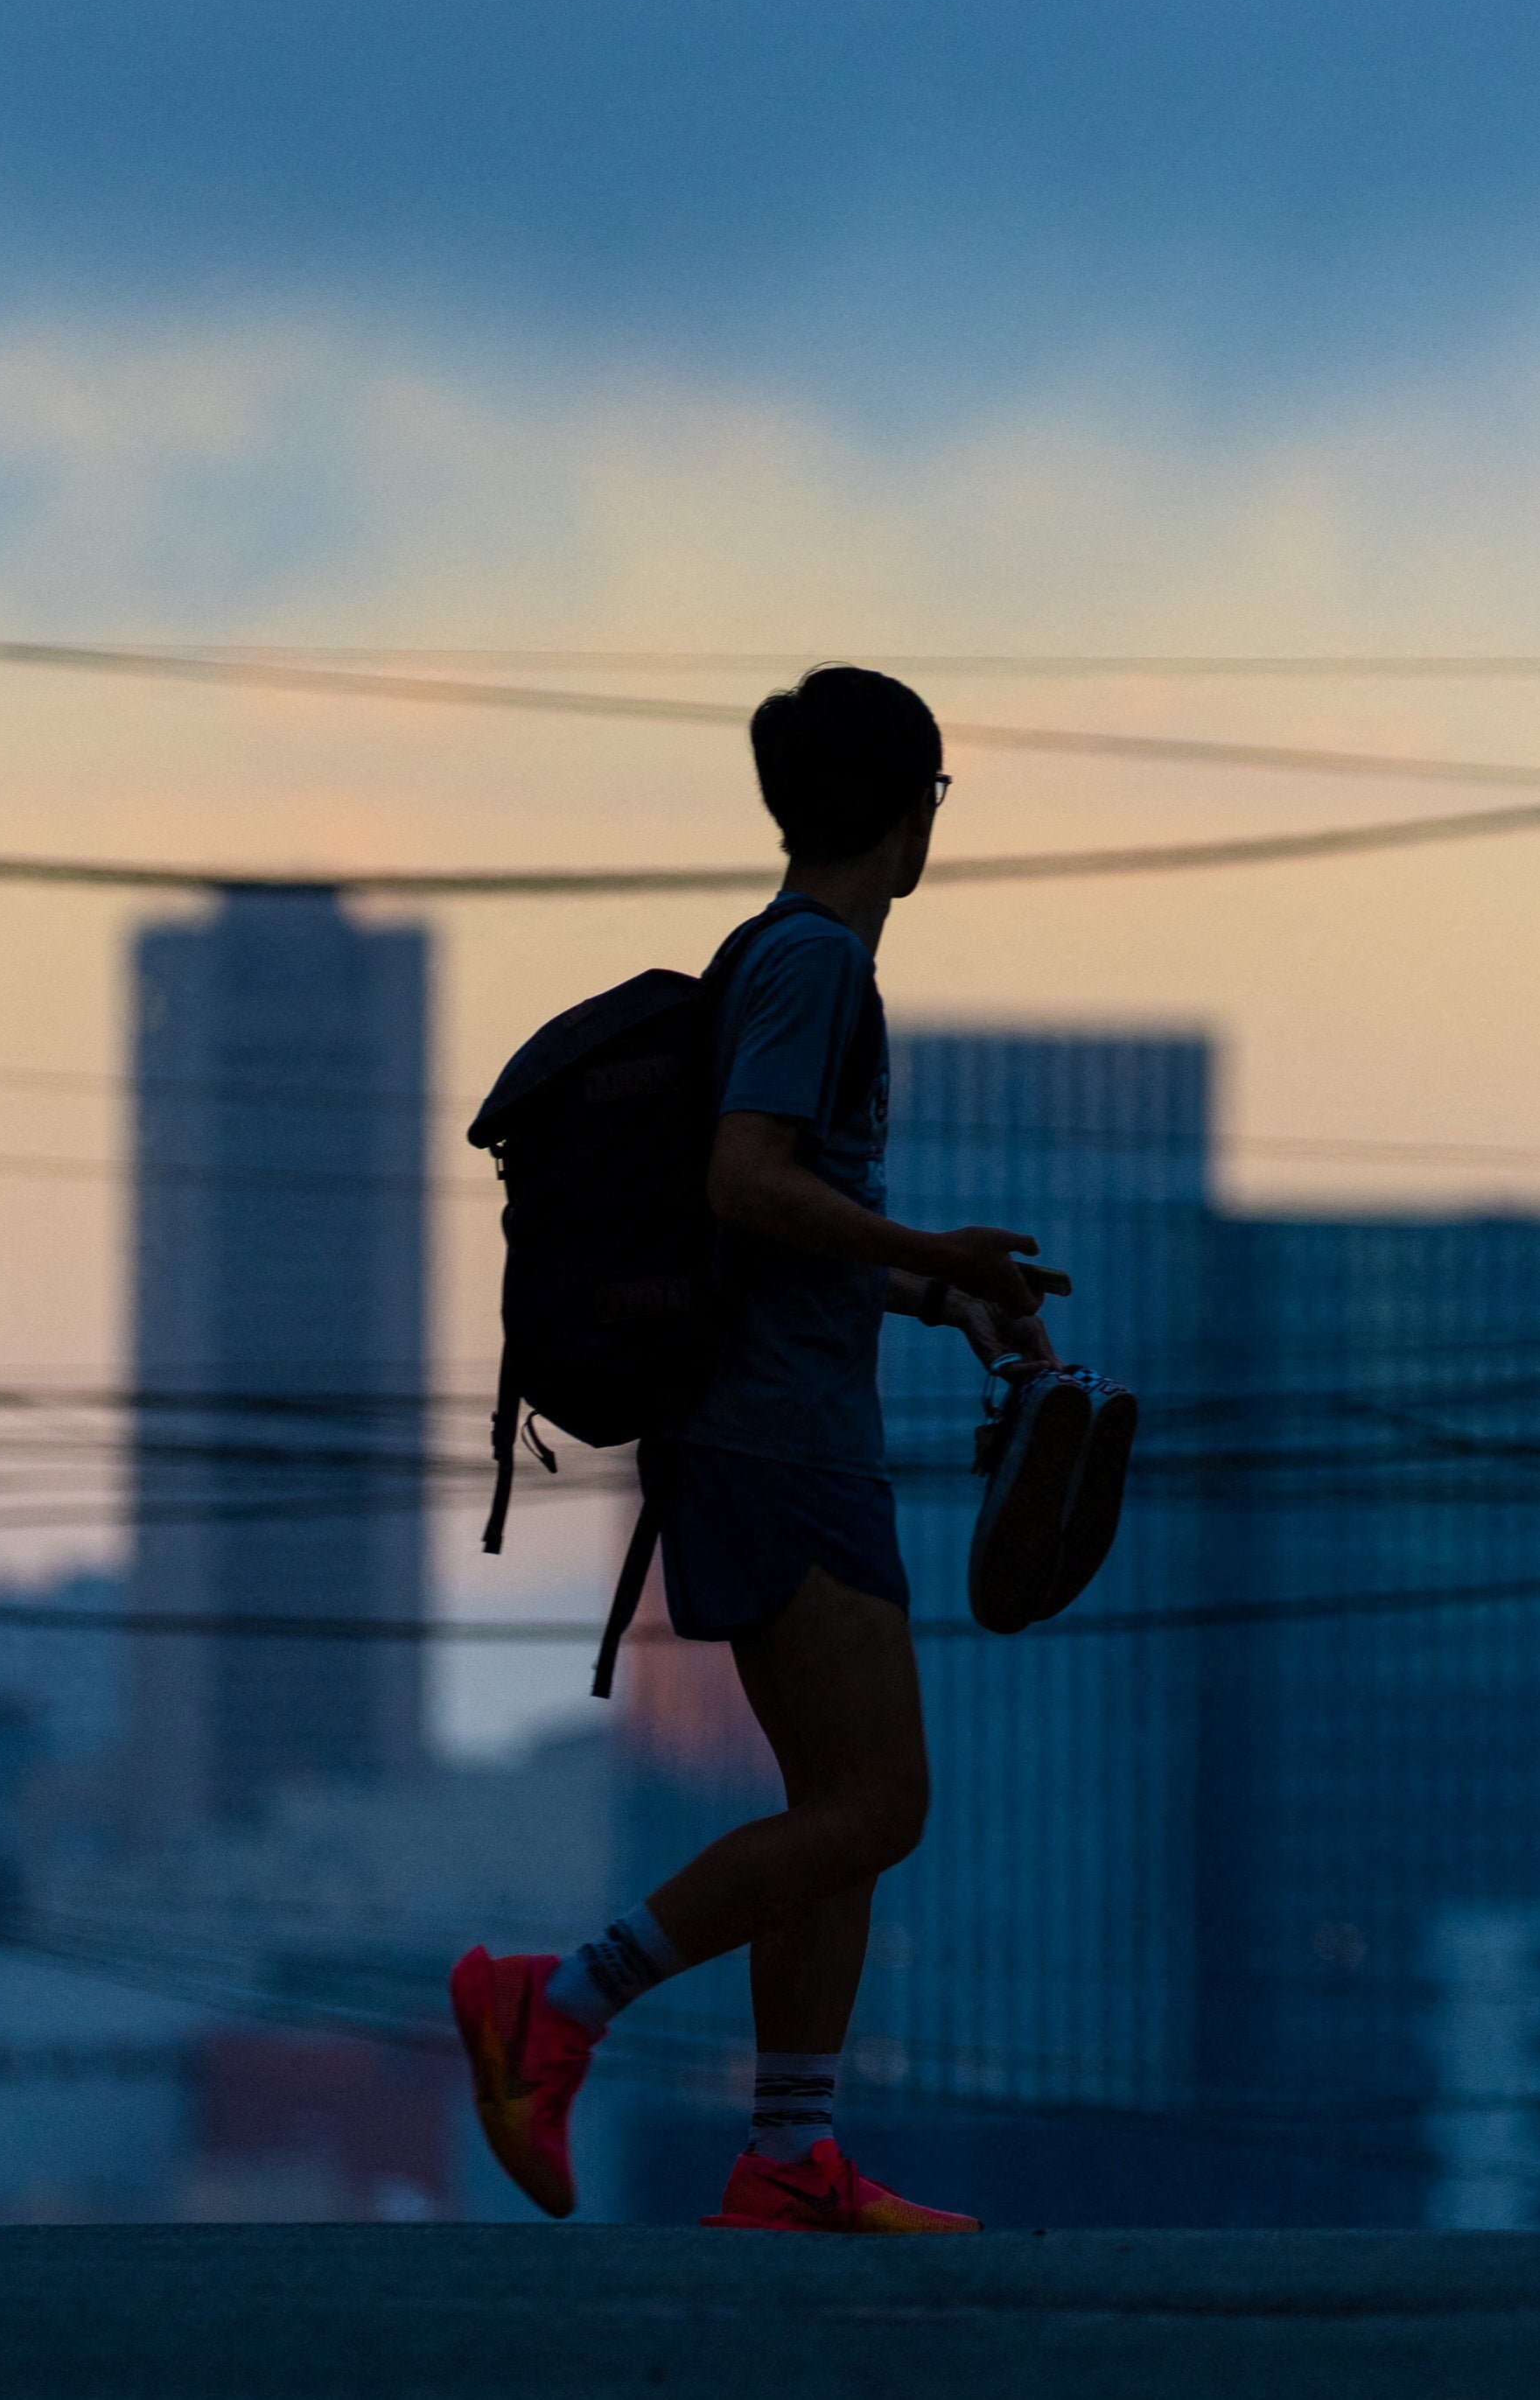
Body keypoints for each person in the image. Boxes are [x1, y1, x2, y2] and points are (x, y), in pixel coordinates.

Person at [450, 665, 1063, 2235]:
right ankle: (557, 2003)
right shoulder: (813, 969)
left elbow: (790, 1223)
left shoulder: (779, 961)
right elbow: (744, 1183)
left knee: (835, 1804)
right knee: (883, 1805)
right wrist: (925, 1238)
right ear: (911, 811)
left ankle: (791, 2152)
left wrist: (939, 1291)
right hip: (777, 1441)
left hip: (790, 1427)